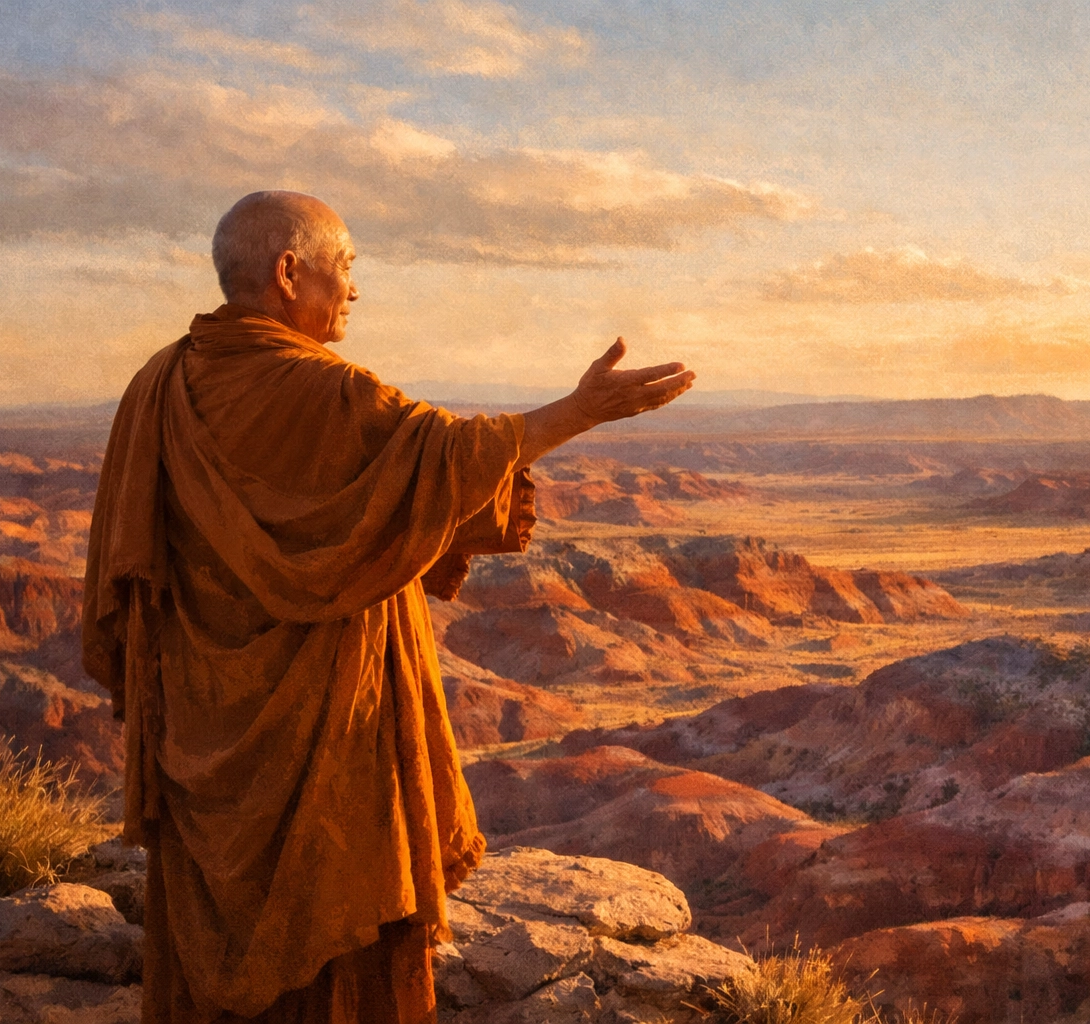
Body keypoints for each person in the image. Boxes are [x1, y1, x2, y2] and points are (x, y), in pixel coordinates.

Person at [81, 190, 695, 1023]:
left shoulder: (158, 383)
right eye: (346, 266)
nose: (354, 288)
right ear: (289, 272)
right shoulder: (322, 390)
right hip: (327, 730)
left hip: (200, 725)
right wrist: (580, 411)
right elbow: (447, 455)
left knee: (209, 937)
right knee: (341, 927)